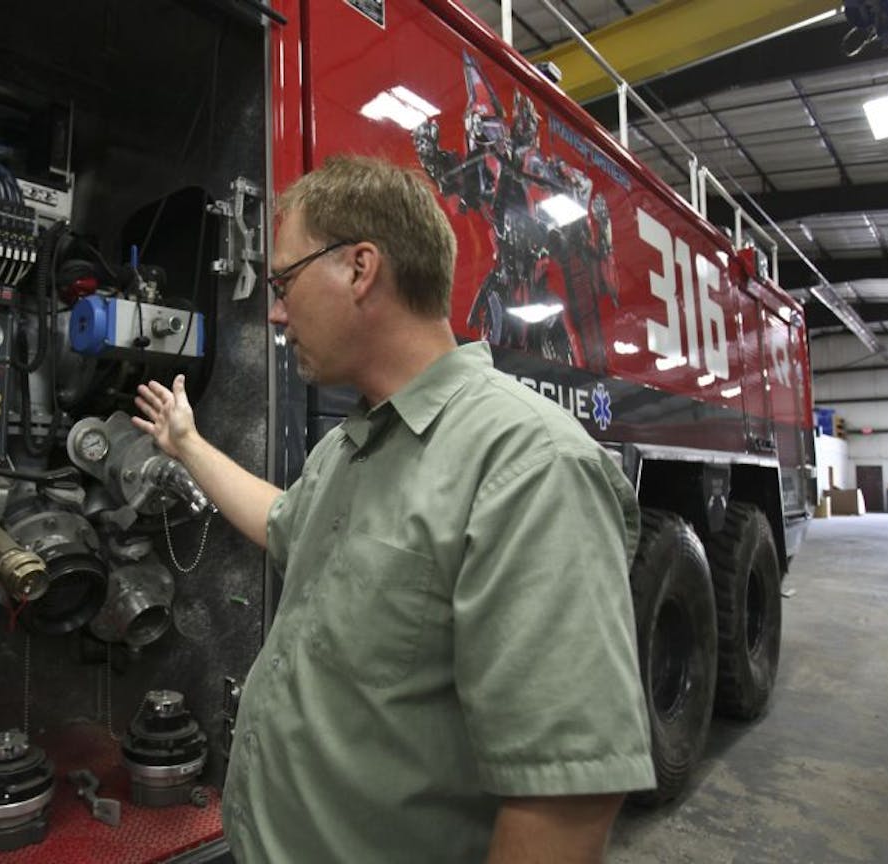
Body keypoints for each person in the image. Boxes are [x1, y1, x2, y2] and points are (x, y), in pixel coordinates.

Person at [132, 155, 652, 863]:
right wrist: (188, 446)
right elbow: (287, 523)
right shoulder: (350, 448)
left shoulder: (528, 467)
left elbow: (563, 799)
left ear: (360, 268)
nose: (277, 312)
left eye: (284, 282)